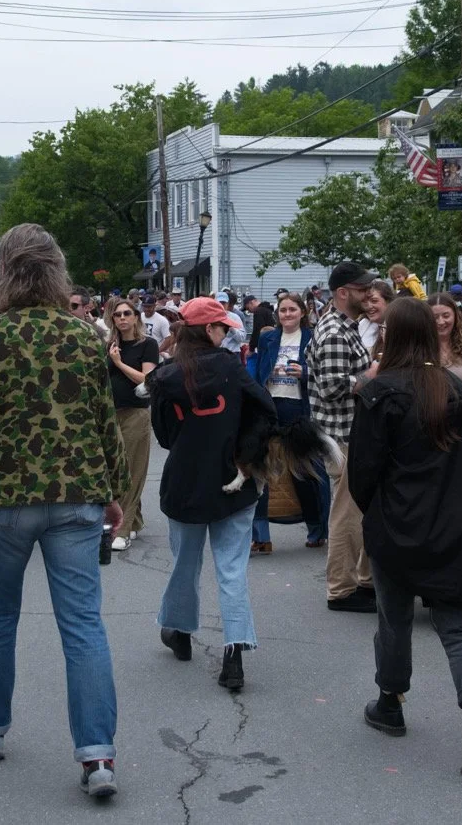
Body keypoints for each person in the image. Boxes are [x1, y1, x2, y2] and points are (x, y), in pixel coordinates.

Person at [0, 225, 127, 799]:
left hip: (4, 501)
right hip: (76, 499)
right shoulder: (86, 336)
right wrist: (114, 492)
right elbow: (103, 422)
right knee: (84, 625)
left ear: (5, 271)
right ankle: (97, 756)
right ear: (57, 272)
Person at [348, 296, 462, 779]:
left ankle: (390, 700)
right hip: (454, 522)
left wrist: (374, 512)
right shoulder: (456, 390)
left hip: (398, 523)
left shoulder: (380, 394)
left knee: (394, 617)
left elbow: (363, 473)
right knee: (458, 626)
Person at [148, 297, 274, 692]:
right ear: (209, 330)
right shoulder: (231, 370)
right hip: (232, 482)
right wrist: (240, 445)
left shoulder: (167, 377)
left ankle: (180, 632)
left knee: (185, 563)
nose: (227, 330)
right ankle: (233, 654)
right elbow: (266, 409)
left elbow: (165, 436)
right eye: (221, 326)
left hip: (185, 482)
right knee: (232, 571)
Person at [312, 262, 378, 612]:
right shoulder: (336, 331)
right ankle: (341, 589)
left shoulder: (345, 326)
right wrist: (374, 372)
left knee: (355, 511)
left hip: (348, 433)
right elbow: (333, 385)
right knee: (346, 514)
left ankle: (362, 581)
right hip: (342, 436)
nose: (369, 293)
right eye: (362, 288)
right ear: (342, 292)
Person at [248, 293, 328, 549]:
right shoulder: (268, 337)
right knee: (260, 470)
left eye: (292, 310)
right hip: (270, 407)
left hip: (299, 408)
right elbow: (258, 371)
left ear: (302, 312)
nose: (287, 315)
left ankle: (317, 530)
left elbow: (320, 373)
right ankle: (260, 537)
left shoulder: (312, 337)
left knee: (304, 472)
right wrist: (267, 373)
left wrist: (303, 372)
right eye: (283, 310)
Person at [104, 298, 159, 553]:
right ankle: (134, 519)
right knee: (115, 469)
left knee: (133, 468)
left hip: (136, 413)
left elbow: (148, 380)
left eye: (128, 313)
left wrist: (119, 364)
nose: (123, 318)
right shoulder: (109, 345)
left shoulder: (147, 345)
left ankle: (123, 529)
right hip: (110, 413)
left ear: (136, 317)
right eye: (118, 315)